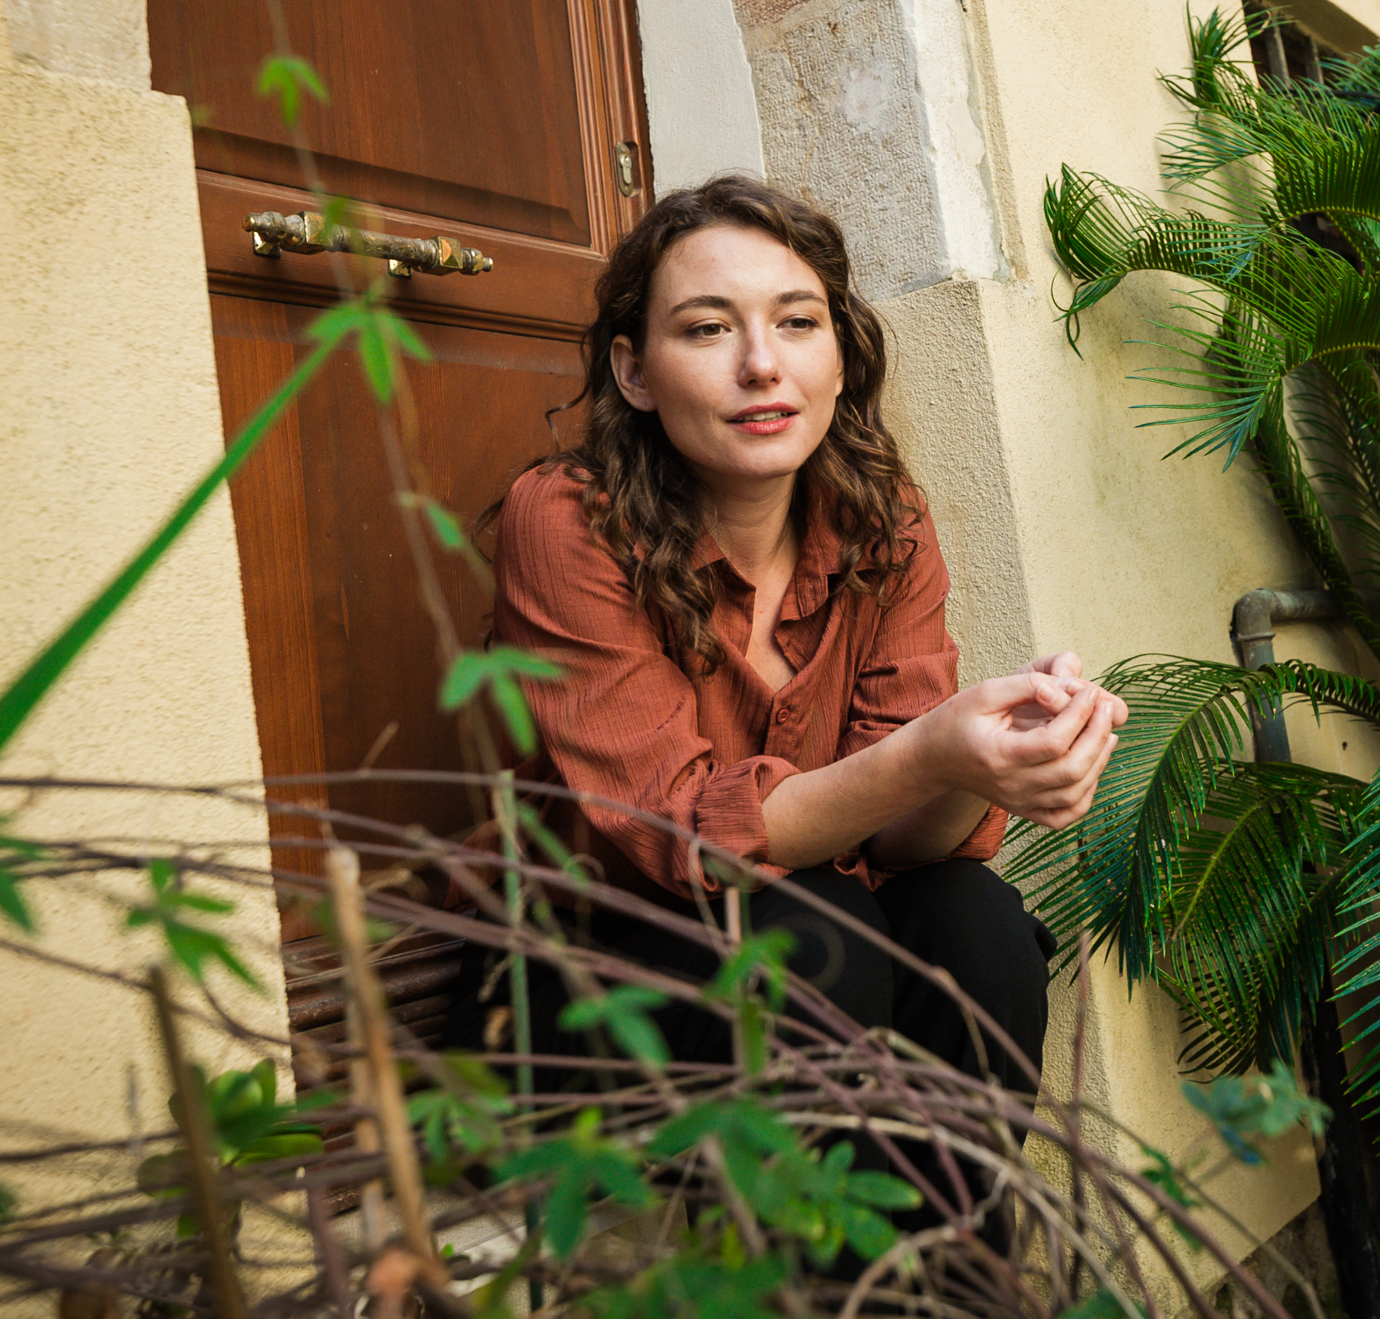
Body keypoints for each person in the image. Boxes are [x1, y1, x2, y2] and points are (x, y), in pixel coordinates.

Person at [445, 174, 1125, 1115]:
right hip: (579, 977)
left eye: (798, 322)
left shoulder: (882, 522)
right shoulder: (569, 520)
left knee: (977, 927)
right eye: (707, 328)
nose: (762, 364)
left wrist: (983, 763)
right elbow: (683, 834)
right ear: (634, 372)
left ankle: (941, 1218)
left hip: (804, 958)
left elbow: (902, 842)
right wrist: (929, 750)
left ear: (841, 358)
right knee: (815, 935)